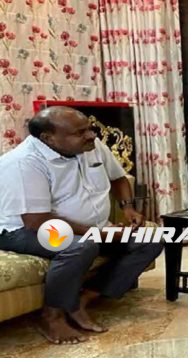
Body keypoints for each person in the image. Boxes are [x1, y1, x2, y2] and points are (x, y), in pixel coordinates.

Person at [0, 107, 163, 344]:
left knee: (151, 239)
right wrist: (99, 235)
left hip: (88, 227)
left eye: (89, 129)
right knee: (80, 246)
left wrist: (128, 208)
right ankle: (52, 317)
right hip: (21, 230)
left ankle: (82, 300)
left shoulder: (90, 146)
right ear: (48, 138)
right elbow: (37, 221)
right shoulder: (24, 163)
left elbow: (118, 178)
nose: (91, 135)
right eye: (80, 132)